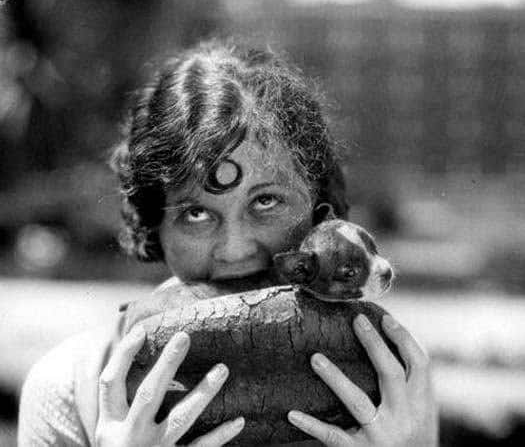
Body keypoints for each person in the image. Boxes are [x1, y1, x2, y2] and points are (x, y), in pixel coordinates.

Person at [18, 40, 438, 447]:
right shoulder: (69, 389)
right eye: (195, 214)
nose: (235, 251)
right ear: (155, 225)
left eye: (266, 201)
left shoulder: (392, 382)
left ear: (317, 203)